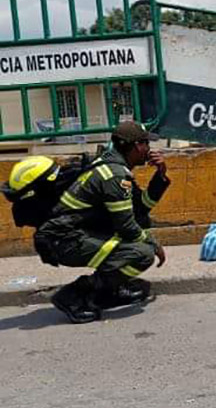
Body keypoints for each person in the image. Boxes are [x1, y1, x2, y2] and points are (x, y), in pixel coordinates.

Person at [34, 122, 170, 324]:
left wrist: (160, 175)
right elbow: (127, 227)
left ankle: (108, 292)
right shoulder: (114, 175)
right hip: (66, 241)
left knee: (140, 233)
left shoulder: (114, 167)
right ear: (135, 146)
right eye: (145, 143)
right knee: (142, 254)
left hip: (76, 234)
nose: (149, 148)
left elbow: (140, 209)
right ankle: (74, 295)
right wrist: (153, 243)